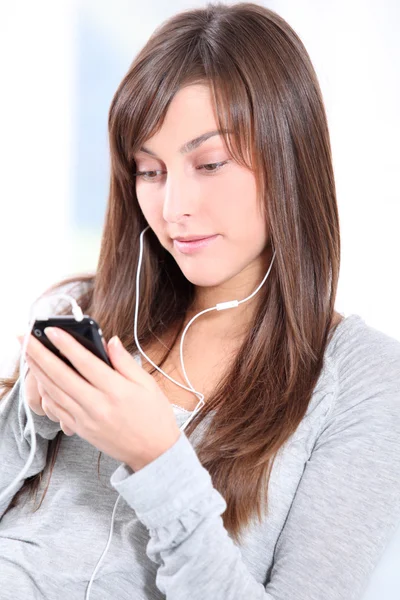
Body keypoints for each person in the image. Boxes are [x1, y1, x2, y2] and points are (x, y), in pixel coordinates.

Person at [1, 2, 400, 599]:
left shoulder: (366, 382)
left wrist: (158, 457)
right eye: (150, 170)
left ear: (288, 158)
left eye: (209, 164)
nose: (173, 208)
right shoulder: (83, 306)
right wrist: (27, 419)